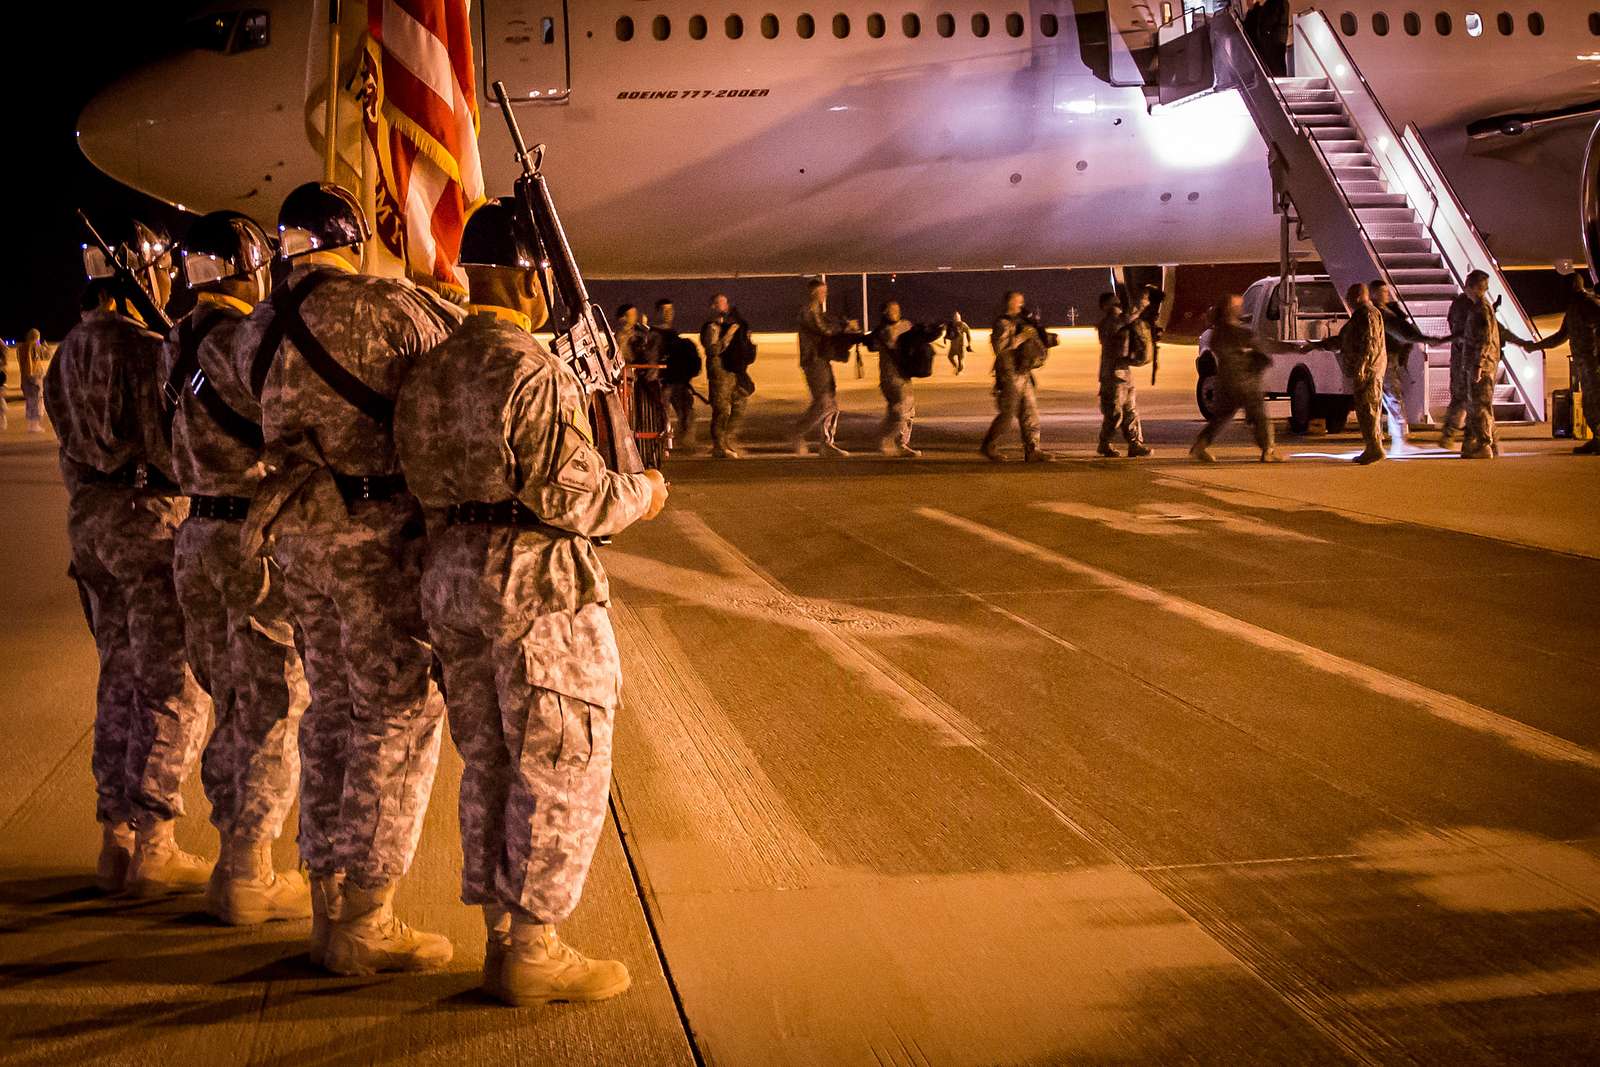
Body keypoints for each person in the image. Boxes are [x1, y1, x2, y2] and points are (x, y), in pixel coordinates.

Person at [394, 199, 668, 1006]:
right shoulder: (530, 368)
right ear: (528, 281)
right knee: (561, 761)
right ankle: (536, 945)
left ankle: (499, 938)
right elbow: (572, 494)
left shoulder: (431, 368)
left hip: (454, 578)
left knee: (490, 762)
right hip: (536, 583)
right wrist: (642, 493)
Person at [232, 182, 460, 975]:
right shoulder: (387, 307)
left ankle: (327, 898)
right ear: (350, 239)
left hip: (298, 540)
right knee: (396, 715)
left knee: (328, 710)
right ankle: (369, 916)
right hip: (373, 541)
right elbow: (458, 367)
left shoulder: (254, 328)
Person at [44, 219, 212, 896]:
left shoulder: (66, 354)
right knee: (171, 683)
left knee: (117, 676)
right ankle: (156, 841)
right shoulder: (147, 349)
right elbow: (172, 448)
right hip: (149, 524)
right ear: (142, 273)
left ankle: (112, 835)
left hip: (90, 524)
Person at [162, 210, 311, 925]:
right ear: (250, 266)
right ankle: (249, 870)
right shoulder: (243, 340)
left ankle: (233, 857)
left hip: (193, 534)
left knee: (229, 703)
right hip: (247, 538)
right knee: (270, 706)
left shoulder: (173, 343)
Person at [1190, 294, 1309, 463]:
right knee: (1259, 416)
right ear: (1231, 310)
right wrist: (1295, 348)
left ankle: (1200, 446)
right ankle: (1268, 449)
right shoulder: (1237, 332)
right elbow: (1265, 345)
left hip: (1225, 380)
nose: (1242, 308)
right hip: (1245, 380)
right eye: (1238, 306)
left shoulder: (1218, 332)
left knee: (1221, 417)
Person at [1453, 273, 1532, 459]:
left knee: (1480, 407)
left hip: (1481, 366)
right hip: (1479, 365)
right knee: (1477, 406)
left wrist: (1478, 366)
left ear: (1472, 287)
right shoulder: (1480, 308)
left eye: (1467, 286)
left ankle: (1484, 445)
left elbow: (1484, 340)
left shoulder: (1481, 309)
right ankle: (1485, 444)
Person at [1527, 273, 1600, 455]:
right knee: (1589, 402)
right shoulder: (1574, 308)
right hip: (1584, 363)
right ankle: (1597, 438)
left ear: (1575, 286)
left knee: (1595, 401)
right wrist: (1536, 346)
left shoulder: (1589, 304)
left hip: (1594, 361)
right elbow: (1561, 336)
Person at [1371, 280, 1449, 445]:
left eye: (1386, 291)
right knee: (1390, 396)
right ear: (1373, 294)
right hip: (1383, 358)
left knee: (1388, 396)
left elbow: (1405, 332)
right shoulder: (1379, 314)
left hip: (1391, 358)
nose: (1385, 295)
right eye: (1381, 292)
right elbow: (1402, 333)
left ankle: (1395, 433)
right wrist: (1424, 339)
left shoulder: (1390, 311)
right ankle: (1396, 434)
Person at [981, 291, 1050, 462]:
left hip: (1023, 371)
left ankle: (1033, 449)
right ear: (1009, 302)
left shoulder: (1023, 321)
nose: (1021, 304)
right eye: (1017, 301)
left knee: (1030, 410)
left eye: (1022, 301)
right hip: (1008, 373)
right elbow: (1000, 349)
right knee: (1008, 413)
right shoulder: (1002, 323)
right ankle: (989, 446)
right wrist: (1020, 337)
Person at [792, 277, 856, 457]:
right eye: (821, 292)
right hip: (813, 361)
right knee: (825, 402)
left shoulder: (819, 311)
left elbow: (828, 326)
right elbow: (824, 330)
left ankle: (826, 442)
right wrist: (844, 326)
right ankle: (798, 433)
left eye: (825, 291)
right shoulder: (808, 311)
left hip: (822, 360)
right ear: (813, 293)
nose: (824, 295)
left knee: (830, 403)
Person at [1095, 290, 1153, 458]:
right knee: (1114, 413)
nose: (1117, 306)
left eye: (1117, 303)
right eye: (1112, 304)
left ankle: (1135, 443)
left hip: (1124, 373)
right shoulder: (1108, 324)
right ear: (1104, 307)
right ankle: (1105, 443)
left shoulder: (1121, 323)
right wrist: (1141, 306)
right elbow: (1124, 320)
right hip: (1112, 375)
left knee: (1131, 411)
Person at [1337, 282, 1388, 464]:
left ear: (1358, 297)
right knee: (1366, 408)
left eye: (1350, 297)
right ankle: (1372, 446)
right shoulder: (1360, 316)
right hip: (1366, 369)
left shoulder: (1367, 315)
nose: (1347, 300)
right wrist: (1316, 345)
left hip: (1369, 370)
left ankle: (1375, 448)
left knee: (1369, 408)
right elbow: (1343, 340)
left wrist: (1362, 367)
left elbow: (1370, 343)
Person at [701, 294, 752, 458]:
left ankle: (727, 439)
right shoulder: (712, 328)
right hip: (719, 374)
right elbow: (712, 350)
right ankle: (719, 446)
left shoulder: (731, 325)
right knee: (722, 410)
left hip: (733, 373)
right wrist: (729, 335)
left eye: (725, 303)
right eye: (719, 303)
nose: (723, 307)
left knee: (740, 404)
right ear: (713, 307)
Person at [652, 298, 702, 454]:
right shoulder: (654, 335)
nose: (668, 315)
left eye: (670, 311)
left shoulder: (674, 336)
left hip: (678, 382)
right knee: (661, 415)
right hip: (663, 383)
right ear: (657, 313)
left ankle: (685, 443)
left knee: (687, 414)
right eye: (664, 311)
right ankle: (662, 445)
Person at [873, 300, 919, 457]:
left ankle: (901, 443)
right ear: (885, 313)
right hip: (891, 377)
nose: (896, 312)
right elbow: (894, 344)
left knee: (909, 410)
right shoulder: (884, 330)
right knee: (899, 411)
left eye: (898, 309)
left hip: (904, 375)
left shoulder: (905, 325)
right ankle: (885, 439)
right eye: (892, 310)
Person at [17, 328, 47, 432]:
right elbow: (32, 361)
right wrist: (33, 377)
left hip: (25, 379)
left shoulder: (21, 347)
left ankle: (31, 425)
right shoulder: (32, 346)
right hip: (33, 378)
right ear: (36, 337)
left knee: (30, 402)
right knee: (37, 401)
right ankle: (35, 426)